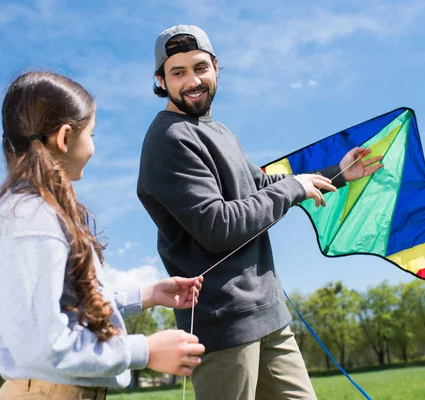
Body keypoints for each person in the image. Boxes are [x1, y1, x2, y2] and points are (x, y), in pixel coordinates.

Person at [136, 25, 384, 400]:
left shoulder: (217, 130)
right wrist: (293, 187)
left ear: (217, 67)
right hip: (224, 327)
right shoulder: (168, 139)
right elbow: (217, 226)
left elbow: (261, 185)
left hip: (269, 314)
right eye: (178, 72)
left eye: (200, 67)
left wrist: (337, 172)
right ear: (160, 80)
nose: (193, 81)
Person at [0, 71, 205, 400]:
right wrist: (144, 350)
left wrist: (147, 294)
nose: (93, 146)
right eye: (91, 133)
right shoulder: (32, 219)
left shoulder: (31, 213)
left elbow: (64, 305)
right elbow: (43, 345)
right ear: (64, 137)